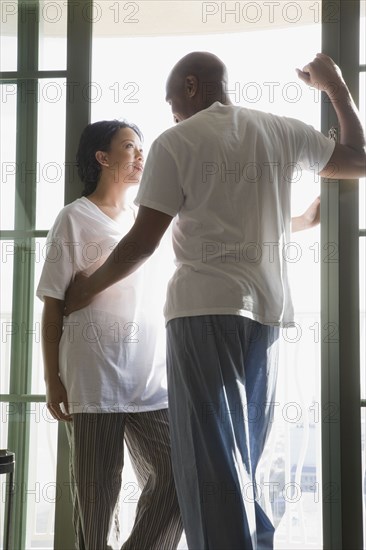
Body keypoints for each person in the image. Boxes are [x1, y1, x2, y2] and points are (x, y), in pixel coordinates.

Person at [64, 53, 366, 550]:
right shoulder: (281, 131)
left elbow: (143, 241)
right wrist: (334, 86)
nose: (172, 116)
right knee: (242, 461)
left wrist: (85, 289)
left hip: (201, 314)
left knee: (212, 466)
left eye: (172, 104)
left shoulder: (177, 141)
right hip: (266, 317)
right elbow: (358, 158)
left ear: (190, 86)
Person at [37, 120, 183, 550]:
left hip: (148, 380)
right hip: (92, 377)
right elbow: (52, 305)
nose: (141, 156)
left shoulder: (148, 221)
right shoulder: (74, 217)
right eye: (130, 148)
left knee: (178, 475)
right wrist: (51, 379)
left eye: (142, 149)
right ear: (103, 158)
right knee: (97, 507)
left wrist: (302, 220)